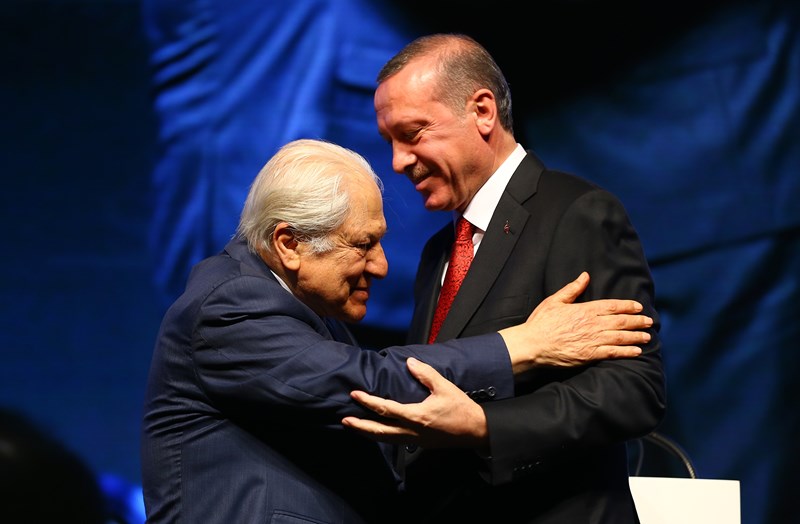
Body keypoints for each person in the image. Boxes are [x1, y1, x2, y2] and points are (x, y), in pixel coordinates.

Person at [140, 138, 654, 523]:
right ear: (289, 244)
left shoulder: (310, 314)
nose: (382, 266)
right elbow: (370, 383)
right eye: (363, 245)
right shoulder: (228, 304)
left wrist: (491, 429)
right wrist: (523, 345)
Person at [342, 34, 666, 523]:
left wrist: (485, 425)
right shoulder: (438, 252)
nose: (398, 161)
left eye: (413, 133)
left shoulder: (577, 212)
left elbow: (634, 390)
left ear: (482, 111)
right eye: (390, 142)